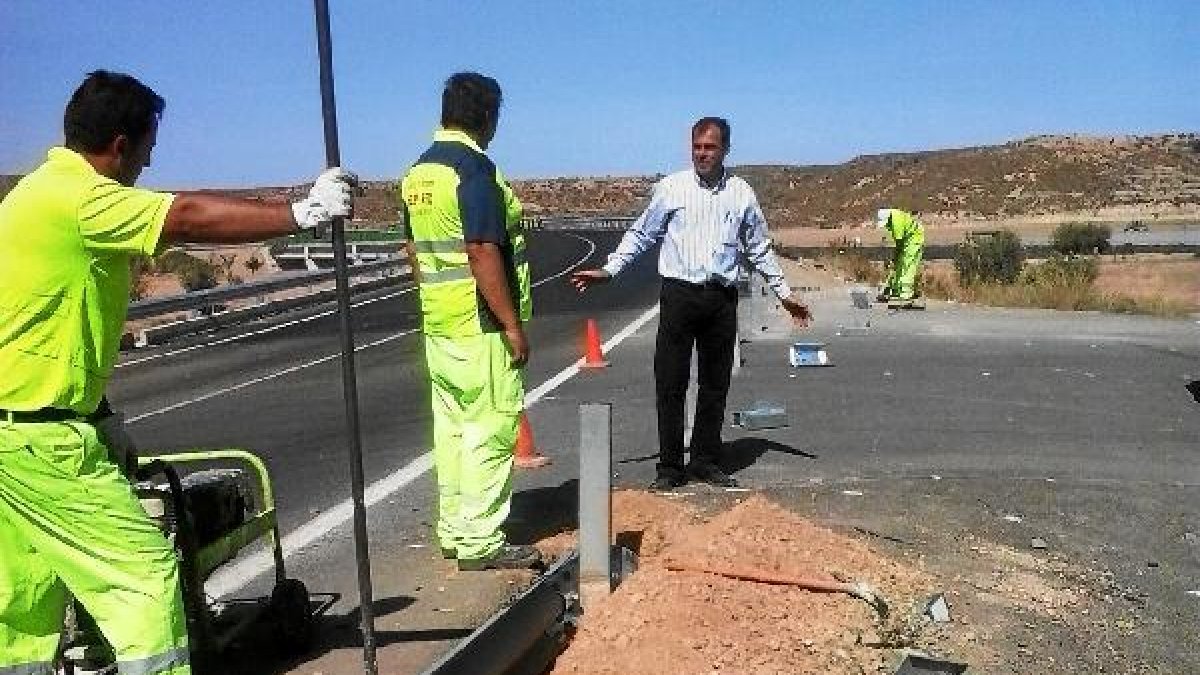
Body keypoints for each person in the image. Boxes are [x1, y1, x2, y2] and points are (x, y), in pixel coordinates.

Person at [0, 70, 355, 675]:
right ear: (118, 146)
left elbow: (38, 332)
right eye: (146, 152)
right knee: (145, 581)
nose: (146, 165)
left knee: (27, 603)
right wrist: (303, 211)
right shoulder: (82, 199)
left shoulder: (32, 194)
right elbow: (184, 217)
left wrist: (99, 414)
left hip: (18, 432)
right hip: (45, 445)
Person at [570, 117, 811, 491]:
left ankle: (705, 461)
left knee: (715, 385)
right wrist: (610, 269)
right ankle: (669, 467)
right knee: (671, 383)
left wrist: (784, 293)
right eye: (697, 147)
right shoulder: (672, 188)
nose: (702, 154)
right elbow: (642, 233)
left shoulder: (741, 193)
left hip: (720, 300)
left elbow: (758, 249)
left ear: (725, 150)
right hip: (679, 296)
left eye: (710, 147)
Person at [400, 72, 541, 571]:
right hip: (480, 326)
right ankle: (482, 541)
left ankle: (456, 529)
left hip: (440, 323)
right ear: (487, 115)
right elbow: (483, 249)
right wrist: (511, 324)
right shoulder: (474, 169)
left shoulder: (419, 172)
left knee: (454, 430)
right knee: (491, 426)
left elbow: (415, 252)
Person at [875, 207, 925, 304]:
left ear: (888, 217)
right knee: (899, 265)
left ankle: (906, 293)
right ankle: (896, 290)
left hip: (915, 239)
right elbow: (899, 242)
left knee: (908, 265)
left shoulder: (897, 219)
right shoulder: (892, 219)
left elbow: (899, 242)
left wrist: (896, 257)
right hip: (906, 240)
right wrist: (896, 259)